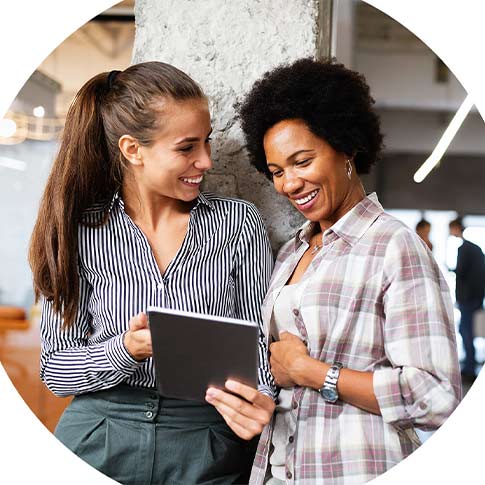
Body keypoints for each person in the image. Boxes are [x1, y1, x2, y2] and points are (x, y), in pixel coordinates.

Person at [29, 62, 275, 485]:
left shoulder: (238, 224)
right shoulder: (81, 231)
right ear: (132, 149)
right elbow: (55, 369)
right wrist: (126, 349)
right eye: (187, 147)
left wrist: (261, 399)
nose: (206, 161)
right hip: (97, 435)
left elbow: (258, 342)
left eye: (207, 142)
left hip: (205, 440)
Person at [220, 58, 460, 484]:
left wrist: (313, 372)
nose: (289, 184)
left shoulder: (394, 246)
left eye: (302, 161)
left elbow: (436, 396)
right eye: (276, 171)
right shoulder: (292, 251)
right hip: (280, 469)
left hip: (355, 468)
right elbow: (280, 367)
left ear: (346, 147)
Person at [449, 217, 485, 380]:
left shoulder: (464, 249)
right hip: (475, 297)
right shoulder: (475, 248)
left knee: (466, 332)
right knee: (469, 331)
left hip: (467, 298)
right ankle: (469, 366)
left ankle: (469, 369)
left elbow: (461, 272)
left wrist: (453, 270)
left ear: (457, 228)